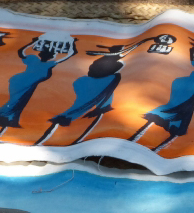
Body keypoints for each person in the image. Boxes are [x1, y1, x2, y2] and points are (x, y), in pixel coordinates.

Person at [35, 34, 174, 146]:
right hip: (92, 85)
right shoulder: (113, 70)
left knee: (85, 107)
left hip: (91, 85)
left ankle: (65, 124)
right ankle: (63, 124)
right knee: (84, 106)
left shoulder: (112, 67)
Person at [0, 34, 77, 141]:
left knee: (16, 103)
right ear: (50, 56)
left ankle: (1, 124)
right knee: (15, 103)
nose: (53, 56)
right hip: (23, 83)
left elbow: (22, 52)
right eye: (53, 54)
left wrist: (32, 42)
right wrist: (72, 44)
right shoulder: (46, 63)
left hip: (21, 82)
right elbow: (70, 54)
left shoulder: (35, 60)